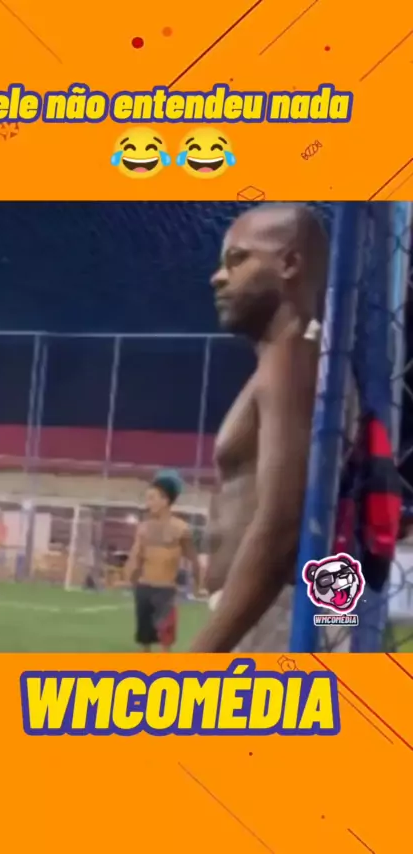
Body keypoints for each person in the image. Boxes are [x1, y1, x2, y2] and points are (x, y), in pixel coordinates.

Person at [190, 203, 331, 653]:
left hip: (275, 614)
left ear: (289, 264)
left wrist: (202, 655)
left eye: (238, 260)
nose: (218, 278)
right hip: (268, 613)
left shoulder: (293, 362)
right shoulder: (287, 359)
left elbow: (282, 523)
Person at [126, 470, 201, 652]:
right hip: (144, 587)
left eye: (152, 498)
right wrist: (130, 579)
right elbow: (135, 557)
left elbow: (193, 559)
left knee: (165, 641)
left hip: (166, 590)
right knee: (144, 639)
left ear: (165, 500)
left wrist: (198, 585)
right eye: (147, 498)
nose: (148, 503)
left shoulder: (181, 529)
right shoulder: (143, 528)